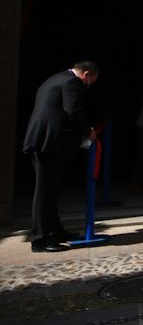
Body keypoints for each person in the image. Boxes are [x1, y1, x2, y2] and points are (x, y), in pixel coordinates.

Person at [22, 61, 99, 253]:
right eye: (91, 81)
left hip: (43, 139)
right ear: (86, 74)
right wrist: (87, 131)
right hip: (49, 142)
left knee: (52, 189)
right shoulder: (72, 83)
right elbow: (73, 109)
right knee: (45, 191)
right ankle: (40, 238)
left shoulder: (55, 78)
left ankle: (55, 231)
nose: (89, 85)